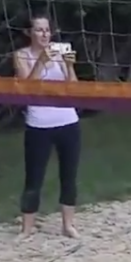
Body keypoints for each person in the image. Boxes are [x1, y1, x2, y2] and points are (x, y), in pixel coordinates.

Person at [14, 13, 81, 238]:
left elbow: (74, 88)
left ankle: (68, 224)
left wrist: (70, 66)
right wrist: (41, 62)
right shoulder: (21, 55)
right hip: (38, 124)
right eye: (39, 30)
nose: (44, 34)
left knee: (69, 176)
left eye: (47, 30)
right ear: (29, 33)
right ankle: (27, 228)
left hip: (67, 121)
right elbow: (27, 88)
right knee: (34, 177)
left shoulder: (60, 52)